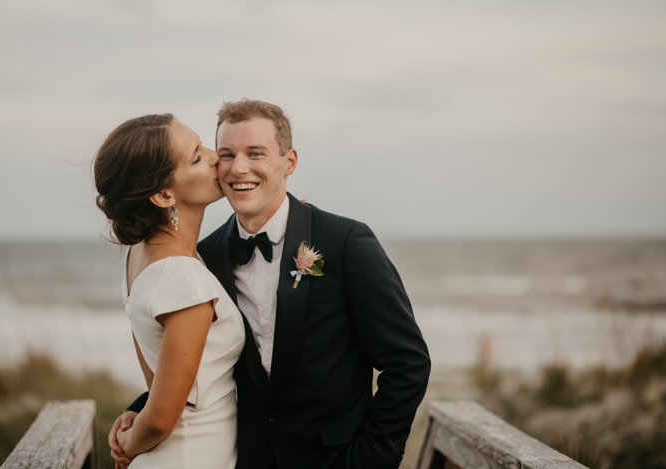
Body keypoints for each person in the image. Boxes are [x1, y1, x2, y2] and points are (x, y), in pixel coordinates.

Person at [111, 100, 431, 469]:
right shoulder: (204, 258)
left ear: (289, 162)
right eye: (227, 153)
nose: (238, 167)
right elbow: (199, 364)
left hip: (335, 460)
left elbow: (407, 362)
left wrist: (374, 459)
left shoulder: (344, 242)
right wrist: (139, 410)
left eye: (256, 153)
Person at [94, 114, 245, 469]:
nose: (215, 157)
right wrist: (129, 444)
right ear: (163, 194)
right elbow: (161, 419)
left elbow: (156, 378)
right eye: (196, 157)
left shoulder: (138, 257)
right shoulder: (183, 276)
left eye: (202, 143)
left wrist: (135, 419)